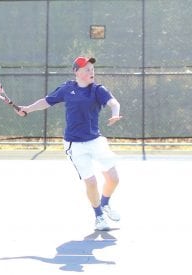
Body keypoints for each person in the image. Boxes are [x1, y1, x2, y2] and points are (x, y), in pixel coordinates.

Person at [16, 56, 122, 231]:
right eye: (86, 69)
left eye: (92, 69)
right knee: (92, 182)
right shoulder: (67, 89)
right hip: (75, 144)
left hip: (96, 141)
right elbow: (46, 101)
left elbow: (113, 102)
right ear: (76, 72)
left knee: (113, 179)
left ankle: (105, 203)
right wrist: (27, 108)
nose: (91, 72)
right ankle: (99, 216)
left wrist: (115, 112)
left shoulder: (97, 90)